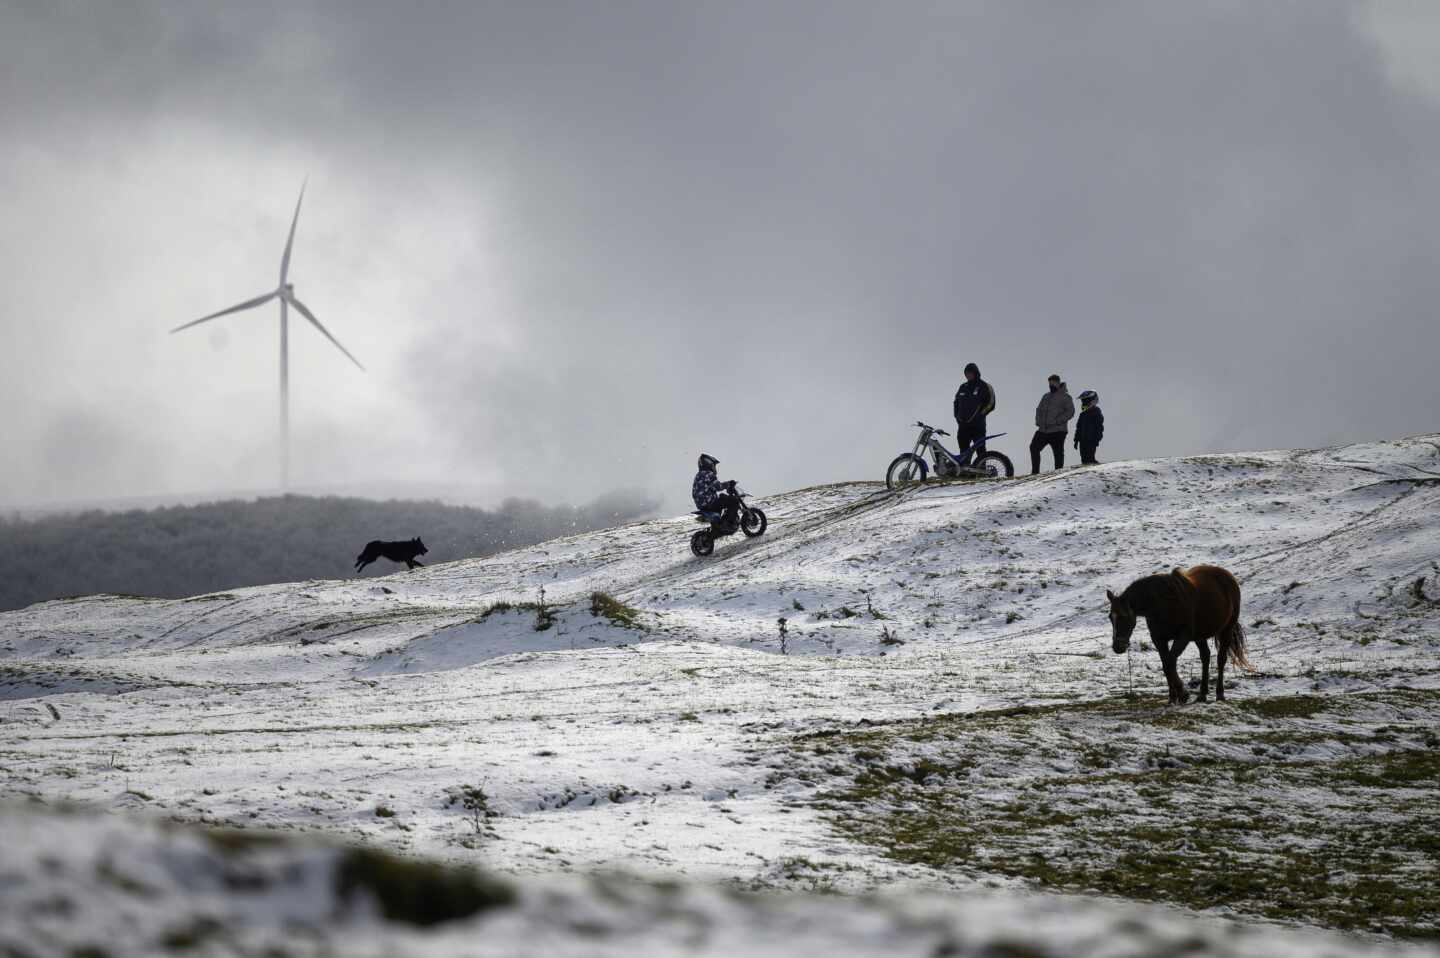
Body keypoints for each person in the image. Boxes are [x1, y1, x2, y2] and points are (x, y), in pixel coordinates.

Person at [1030, 373, 1074, 474]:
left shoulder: (1066, 397)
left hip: (1058, 431)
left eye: (1053, 383)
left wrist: (1057, 421)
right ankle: (1035, 472)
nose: (1051, 385)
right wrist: (1038, 421)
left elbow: (1070, 412)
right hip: (1043, 430)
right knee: (1033, 447)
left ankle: (1058, 473)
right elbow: (1039, 410)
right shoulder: (1046, 396)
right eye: (1049, 383)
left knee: (1058, 453)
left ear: (1058, 383)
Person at [952, 362, 996, 455]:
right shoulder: (963, 387)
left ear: (976, 372)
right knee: (964, 452)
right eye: (966, 373)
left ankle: (983, 468)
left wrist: (980, 415)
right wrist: (957, 416)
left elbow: (991, 403)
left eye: (970, 373)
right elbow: (956, 402)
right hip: (963, 426)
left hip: (978, 426)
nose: (968, 375)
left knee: (980, 451)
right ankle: (965, 469)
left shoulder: (984, 386)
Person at [692, 453, 738, 527]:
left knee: (722, 496)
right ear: (709, 463)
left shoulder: (699, 475)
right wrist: (728, 483)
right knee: (734, 501)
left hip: (702, 504)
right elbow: (718, 487)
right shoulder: (708, 474)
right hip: (709, 502)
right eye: (714, 465)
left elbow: (711, 487)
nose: (714, 467)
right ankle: (729, 523)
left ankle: (718, 527)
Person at [1074, 389, 1104, 465]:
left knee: (1090, 458)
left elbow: (1099, 427)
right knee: (1084, 458)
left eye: (1086, 401)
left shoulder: (1096, 412)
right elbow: (1078, 428)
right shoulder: (1082, 414)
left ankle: (1094, 470)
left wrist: (1097, 438)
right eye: (1083, 401)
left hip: (1091, 439)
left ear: (1093, 401)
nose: (1083, 403)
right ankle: (1086, 473)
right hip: (1082, 440)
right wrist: (1076, 440)